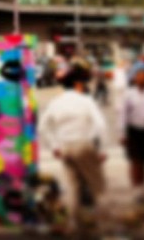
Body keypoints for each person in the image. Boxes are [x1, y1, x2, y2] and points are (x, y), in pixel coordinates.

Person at [39, 61, 108, 232]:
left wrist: (54, 146)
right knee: (97, 187)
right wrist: (100, 149)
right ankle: (100, 226)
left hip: (65, 148)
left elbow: (42, 127)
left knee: (74, 188)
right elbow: (100, 125)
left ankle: (74, 227)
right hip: (83, 144)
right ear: (77, 83)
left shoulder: (56, 102)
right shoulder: (85, 101)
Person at [119, 66, 144, 207]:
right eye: (139, 76)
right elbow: (122, 114)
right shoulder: (128, 94)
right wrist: (122, 133)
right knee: (135, 161)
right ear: (135, 79)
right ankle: (136, 189)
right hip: (133, 131)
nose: (142, 78)